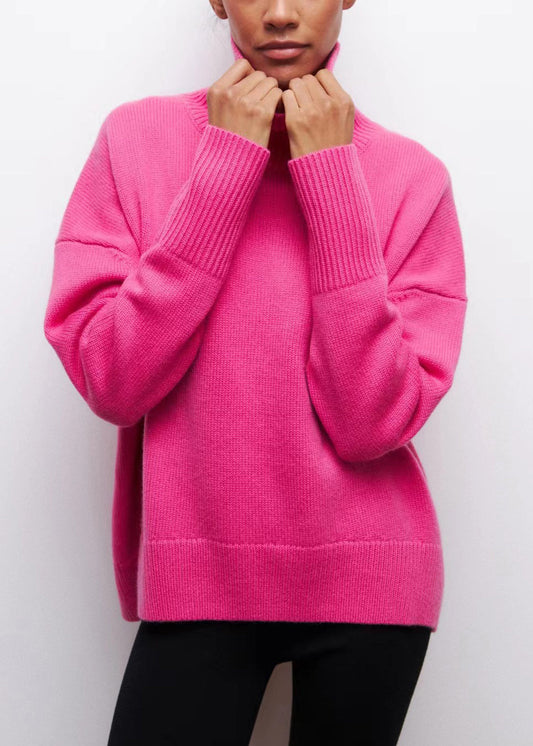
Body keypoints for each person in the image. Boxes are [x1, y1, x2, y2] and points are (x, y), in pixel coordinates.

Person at [43, 1, 468, 743]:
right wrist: (225, 166)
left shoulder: (413, 176)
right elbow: (113, 381)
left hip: (371, 584)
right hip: (197, 577)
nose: (278, 13)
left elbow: (370, 423)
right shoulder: (135, 140)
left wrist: (330, 174)